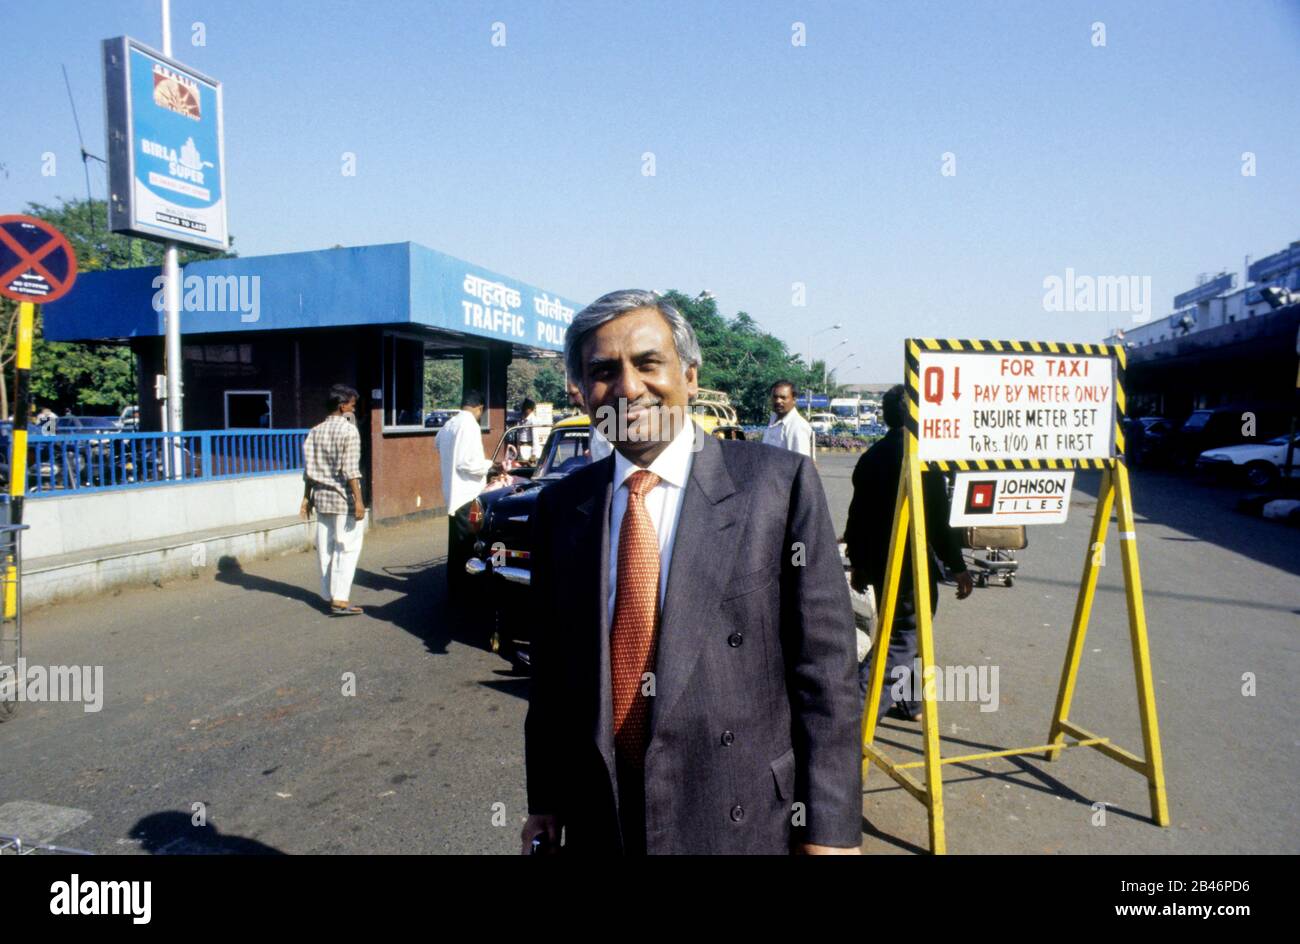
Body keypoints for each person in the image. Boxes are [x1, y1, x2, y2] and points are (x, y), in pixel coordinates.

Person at [521, 290, 861, 856]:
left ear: (689, 376)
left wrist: (829, 831)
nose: (628, 388)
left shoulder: (777, 486)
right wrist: (546, 799)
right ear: (582, 391)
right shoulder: (562, 509)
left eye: (647, 363)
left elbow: (825, 672)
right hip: (603, 816)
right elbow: (552, 675)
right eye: (603, 372)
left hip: (736, 813)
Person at [843, 384, 973, 721]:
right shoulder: (919, 459)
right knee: (904, 635)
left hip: (877, 562)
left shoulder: (871, 456)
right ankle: (851, 712)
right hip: (908, 564)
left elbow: (856, 514)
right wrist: (958, 566)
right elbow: (938, 521)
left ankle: (911, 702)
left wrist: (857, 564)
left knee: (907, 628)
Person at [300, 384, 366, 616]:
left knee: (325, 550)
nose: (354, 409)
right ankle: (340, 598)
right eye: (352, 405)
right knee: (346, 547)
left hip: (321, 498)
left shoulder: (315, 431)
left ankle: (328, 594)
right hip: (343, 500)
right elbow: (350, 471)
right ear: (342, 406)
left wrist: (306, 499)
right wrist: (359, 501)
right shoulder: (349, 431)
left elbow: (309, 471)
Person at [435, 391, 494, 599]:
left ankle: (455, 587)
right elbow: (468, 464)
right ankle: (465, 590)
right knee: (468, 545)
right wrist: (489, 465)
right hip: (467, 494)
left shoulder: (449, 424)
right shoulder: (470, 425)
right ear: (479, 408)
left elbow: (437, 444)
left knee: (456, 545)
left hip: (452, 492)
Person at [761, 380, 816, 459]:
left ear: (794, 400)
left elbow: (801, 463)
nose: (778, 401)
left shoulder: (797, 426)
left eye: (783, 398)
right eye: (775, 397)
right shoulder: (773, 420)